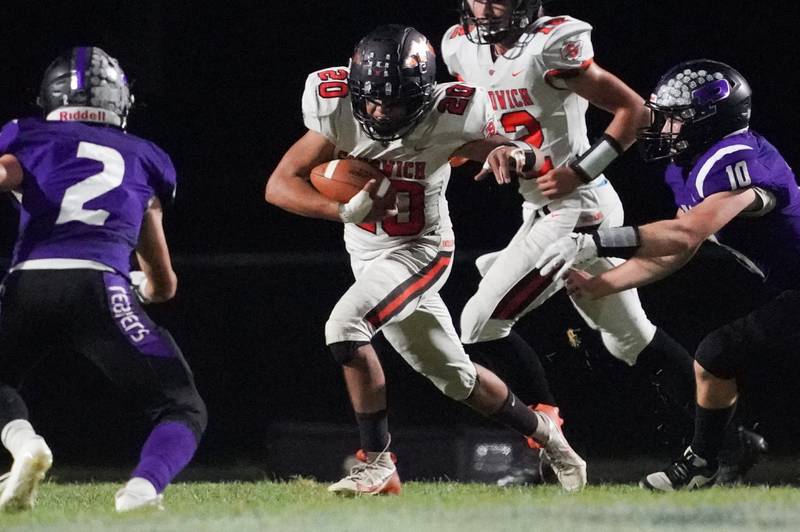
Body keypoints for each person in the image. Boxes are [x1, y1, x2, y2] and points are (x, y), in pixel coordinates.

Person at [266, 24, 586, 494]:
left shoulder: (450, 113)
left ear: (420, 94)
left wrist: (512, 154)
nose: (378, 110)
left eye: (393, 101)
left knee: (344, 328)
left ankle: (376, 461)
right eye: (371, 99)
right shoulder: (337, 109)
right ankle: (551, 439)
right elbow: (279, 185)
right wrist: (340, 210)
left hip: (421, 251)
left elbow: (522, 152)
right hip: (368, 257)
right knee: (457, 379)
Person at [441, 0, 704, 452]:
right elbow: (491, 125)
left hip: (579, 209)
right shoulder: (460, 47)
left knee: (479, 323)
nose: (485, 9)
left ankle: (546, 425)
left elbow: (635, 110)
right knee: (630, 339)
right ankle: (726, 440)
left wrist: (579, 170)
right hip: (542, 208)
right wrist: (476, 151)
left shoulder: (549, 46)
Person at [537, 59, 786, 490]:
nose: (663, 128)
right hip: (790, 285)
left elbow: (688, 230)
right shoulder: (690, 167)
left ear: (709, 121)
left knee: (717, 352)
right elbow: (678, 248)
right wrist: (602, 284)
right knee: (716, 356)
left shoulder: (735, 160)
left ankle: (703, 463)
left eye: (673, 119)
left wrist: (593, 241)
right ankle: (704, 463)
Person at [0, 47, 207, 512]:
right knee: (181, 405)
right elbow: (163, 284)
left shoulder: (28, 138)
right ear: (121, 101)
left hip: (27, 285)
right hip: (102, 286)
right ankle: (142, 489)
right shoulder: (145, 157)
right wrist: (134, 288)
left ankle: (23, 443)